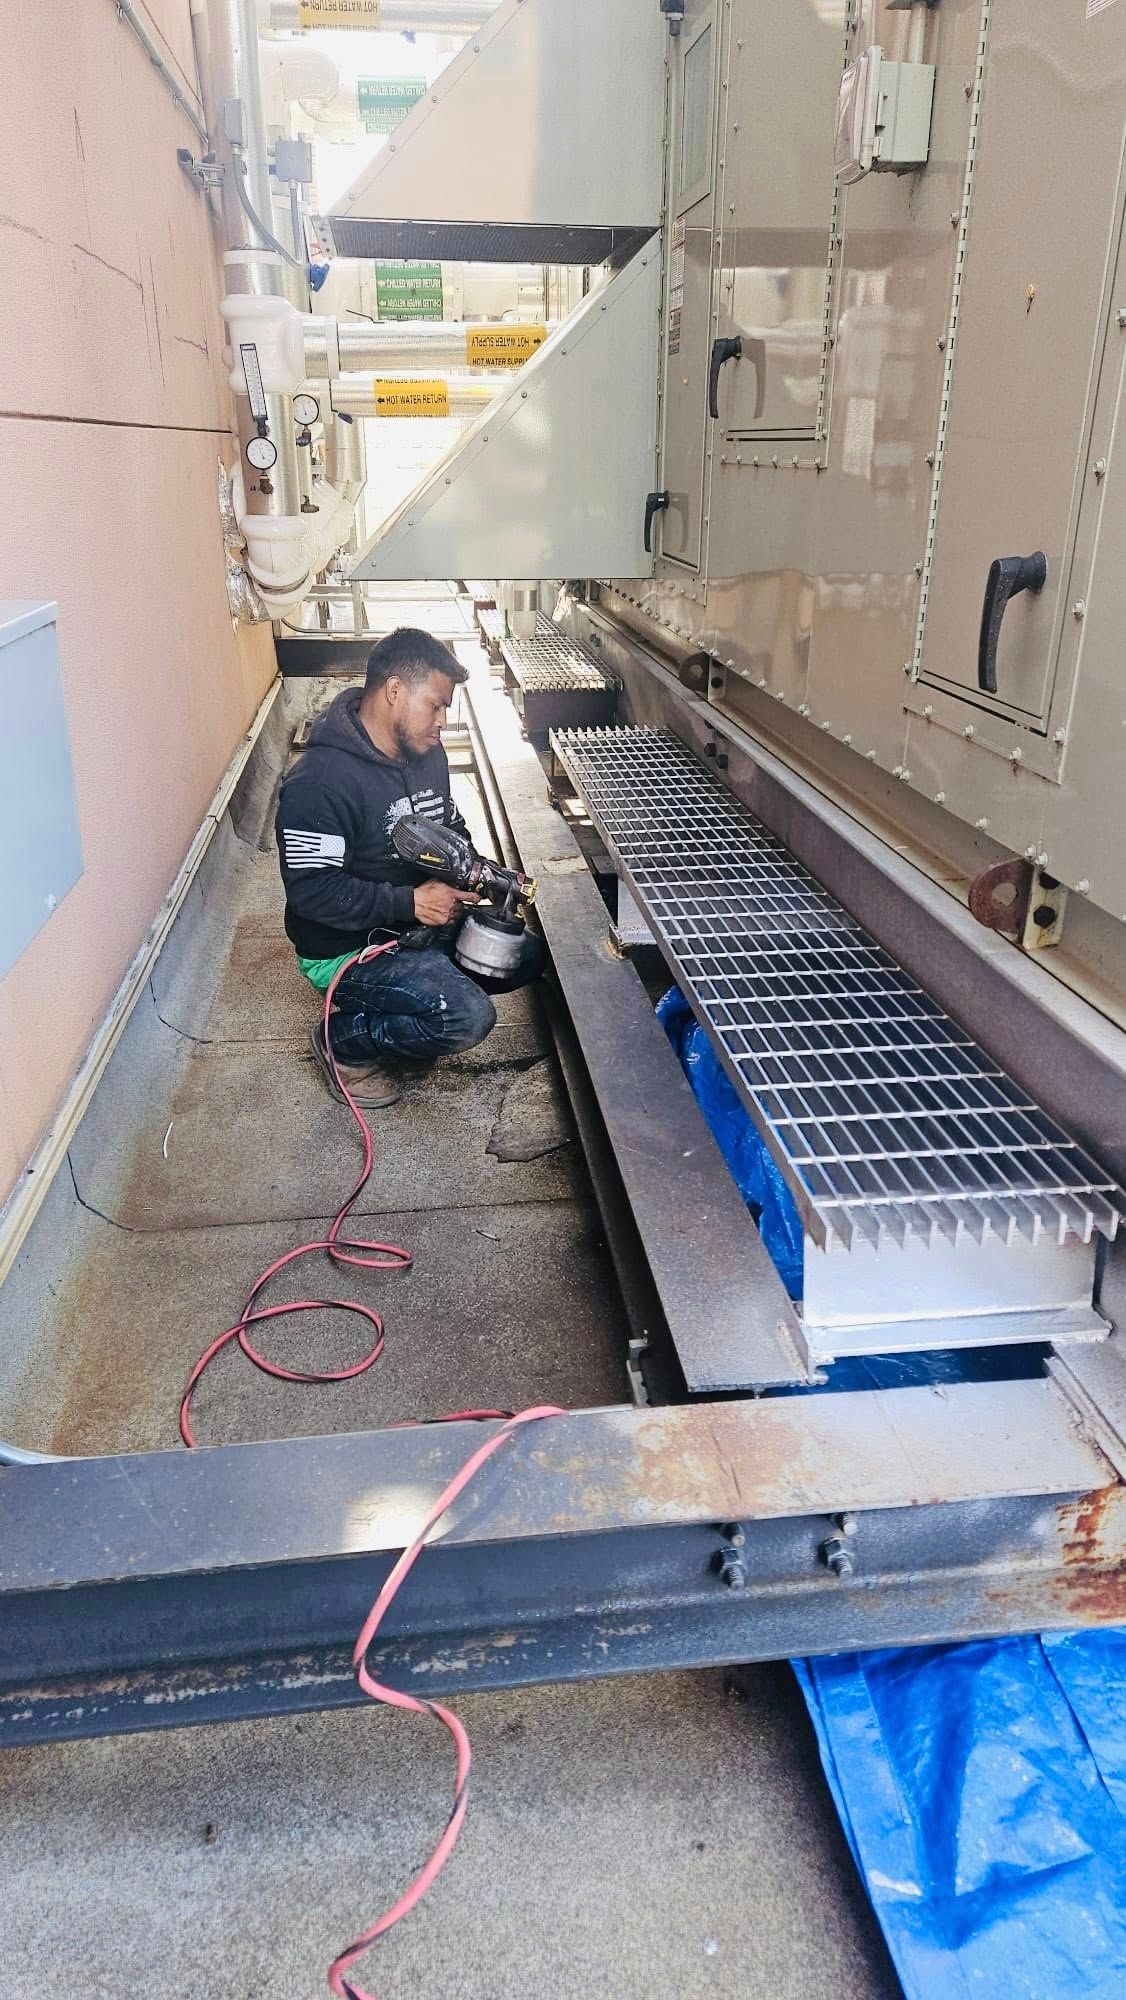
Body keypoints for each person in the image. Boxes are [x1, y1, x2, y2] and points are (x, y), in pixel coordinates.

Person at [276, 627, 545, 1109]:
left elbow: (451, 826)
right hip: (348, 948)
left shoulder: (427, 754)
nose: (442, 721)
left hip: (413, 925)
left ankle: (414, 1002)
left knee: (524, 956)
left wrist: (474, 875)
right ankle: (343, 1041)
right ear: (395, 691)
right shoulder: (318, 783)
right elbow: (311, 892)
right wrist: (411, 903)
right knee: (464, 1016)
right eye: (436, 705)